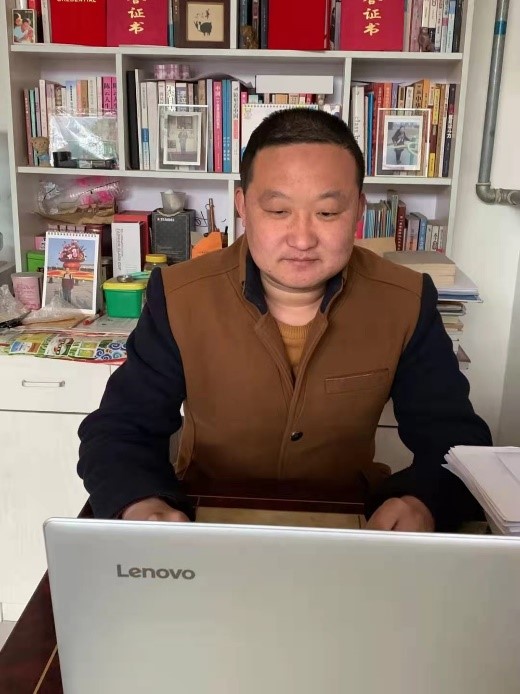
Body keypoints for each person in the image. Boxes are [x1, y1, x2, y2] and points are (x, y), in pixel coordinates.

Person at [78, 108, 491, 531]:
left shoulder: (405, 300)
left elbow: (456, 439)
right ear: (243, 205)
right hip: (210, 517)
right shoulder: (179, 296)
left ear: (358, 210)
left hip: (348, 522)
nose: (302, 239)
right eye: (278, 211)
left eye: (327, 213)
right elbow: (120, 430)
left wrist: (423, 502)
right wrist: (141, 503)